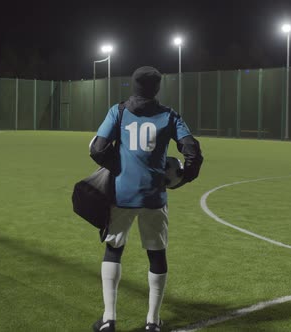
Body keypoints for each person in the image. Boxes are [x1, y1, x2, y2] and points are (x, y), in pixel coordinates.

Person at [89, 66, 203, 332]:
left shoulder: (118, 112)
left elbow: (97, 148)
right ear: (157, 89)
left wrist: (118, 167)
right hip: (154, 196)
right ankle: (152, 322)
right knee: (156, 254)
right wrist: (185, 177)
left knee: (114, 250)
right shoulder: (169, 116)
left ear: (133, 86)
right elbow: (192, 150)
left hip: (122, 194)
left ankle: (108, 319)